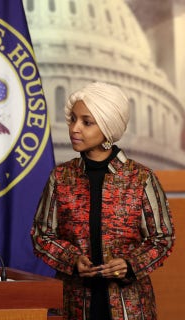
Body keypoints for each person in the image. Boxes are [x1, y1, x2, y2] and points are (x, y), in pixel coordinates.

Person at [31, 82, 175, 320]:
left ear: (108, 128)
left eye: (87, 122)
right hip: (73, 303)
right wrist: (73, 260)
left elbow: (162, 238)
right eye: (73, 119)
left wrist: (129, 265)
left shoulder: (141, 178)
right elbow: (41, 235)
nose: (75, 128)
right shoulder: (61, 177)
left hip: (130, 306)